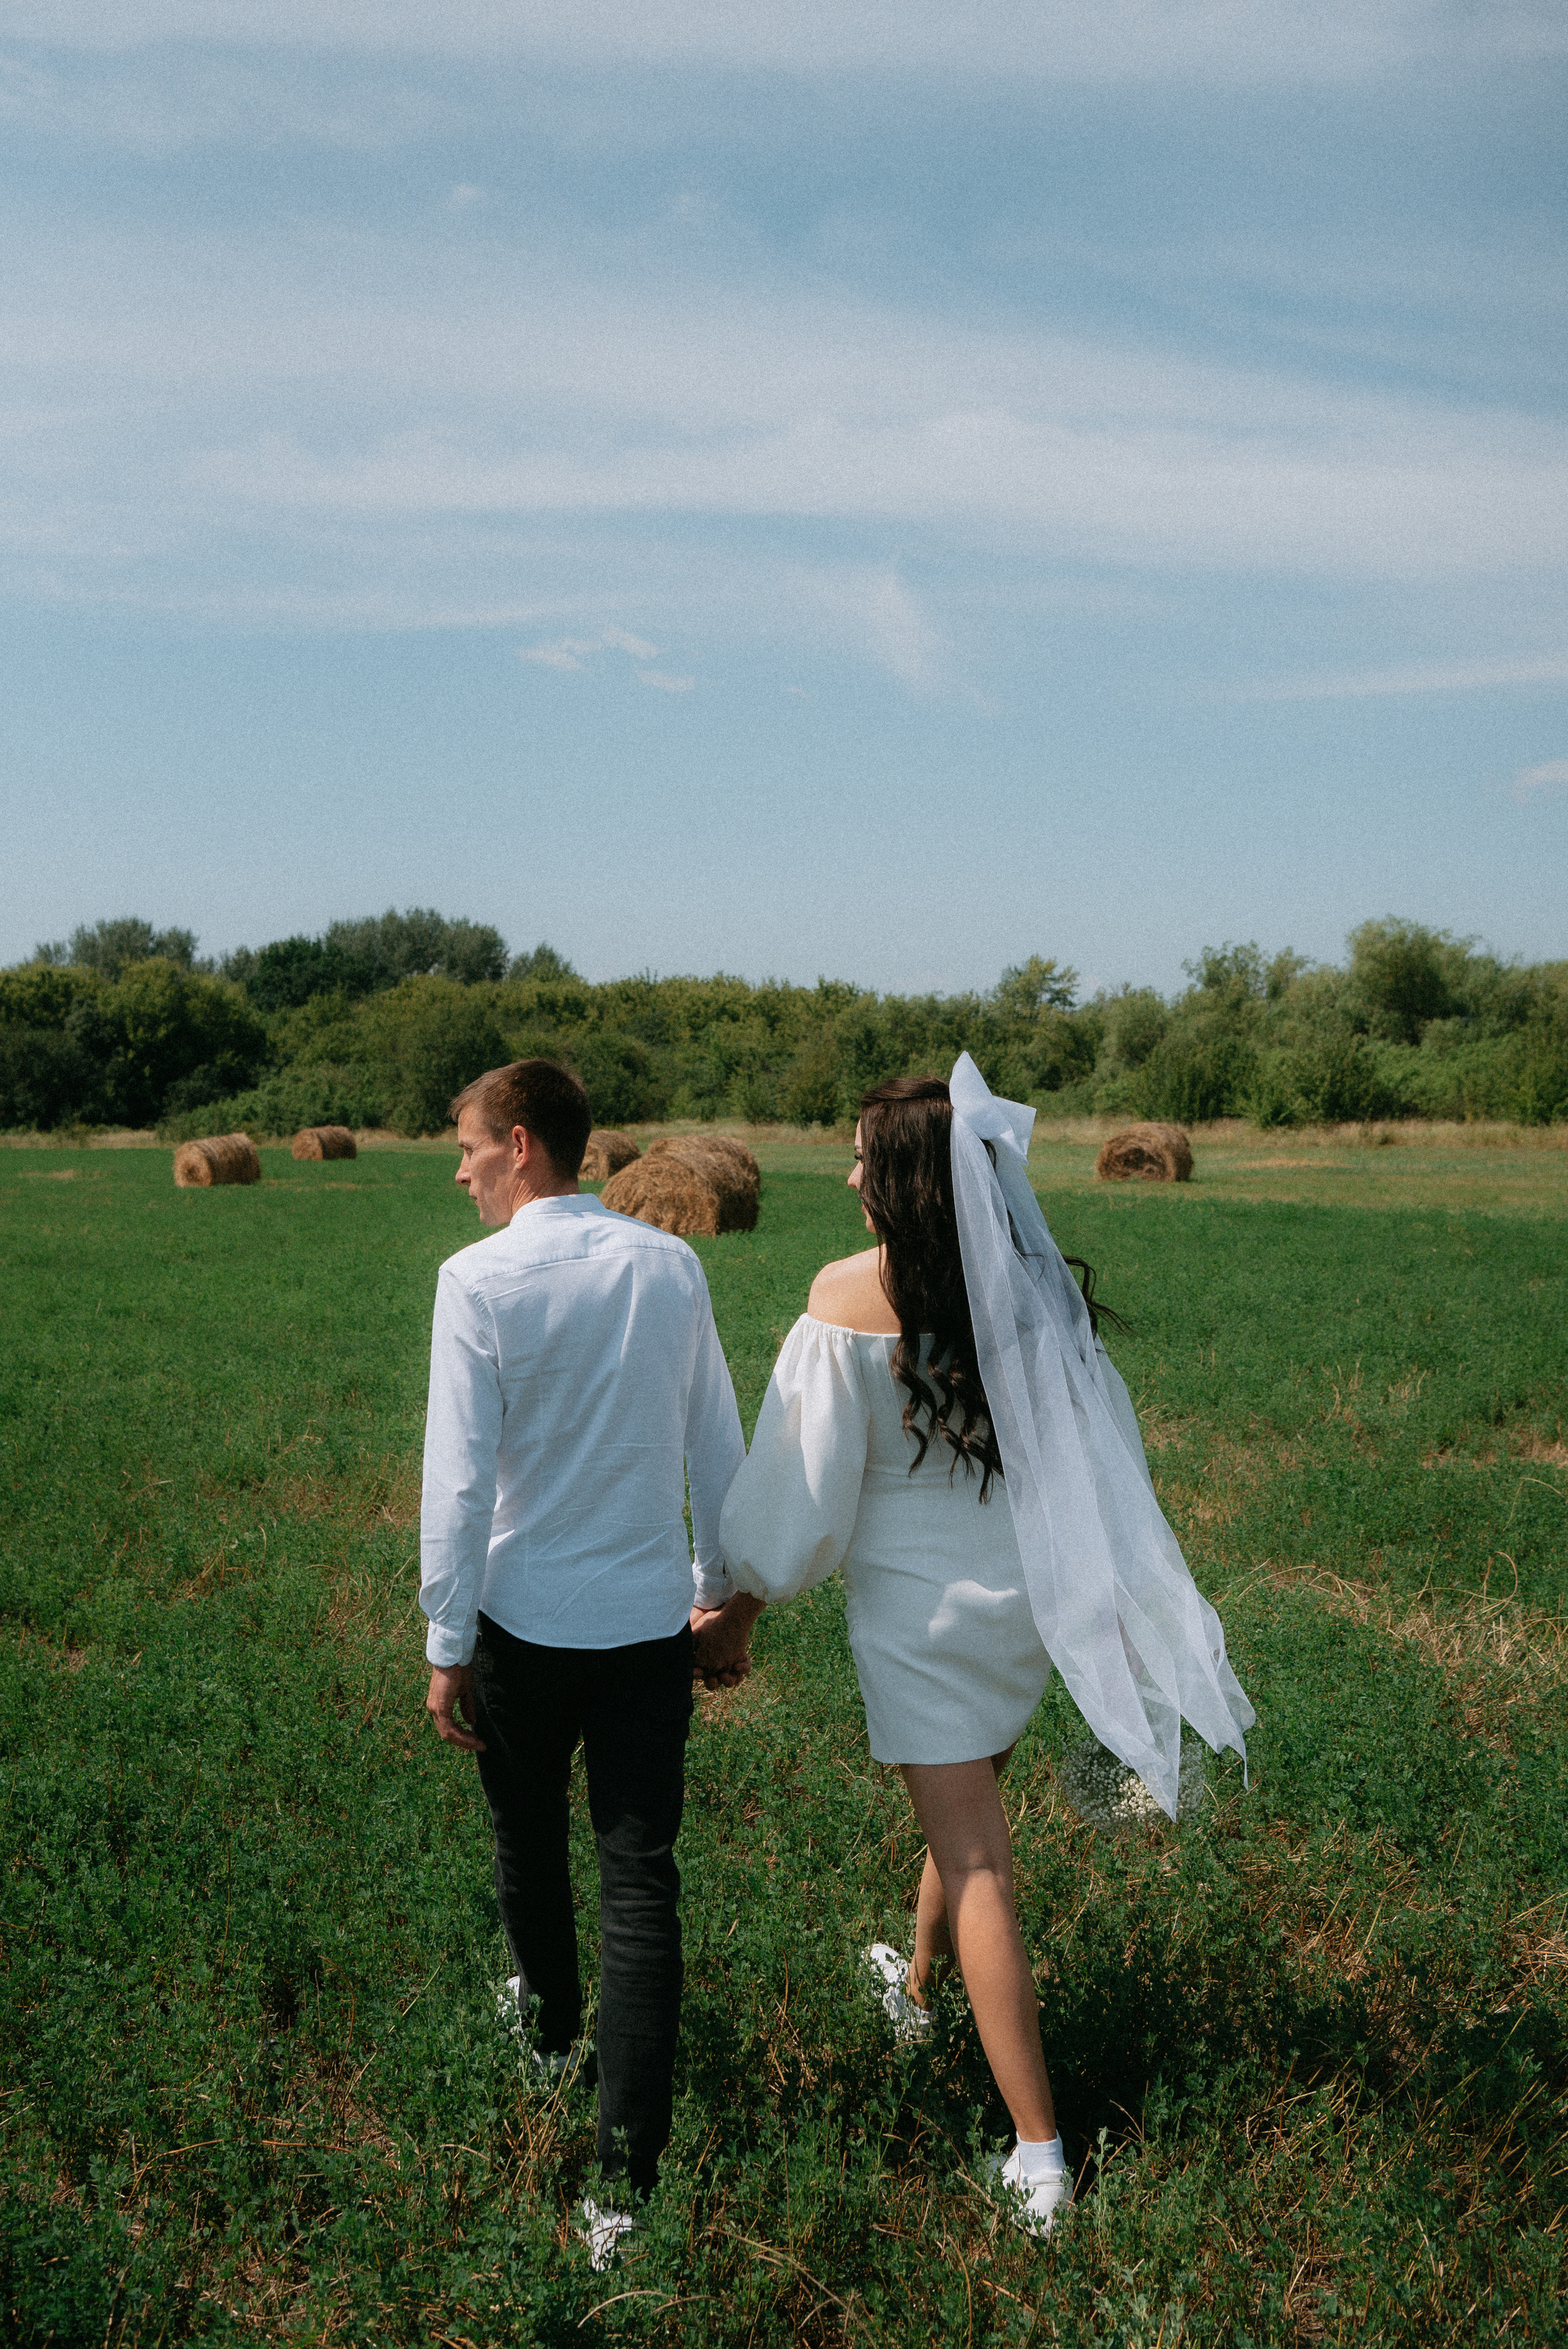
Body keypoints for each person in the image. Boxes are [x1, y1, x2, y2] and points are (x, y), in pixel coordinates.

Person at [706, 1057, 1254, 2235]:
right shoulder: (1026, 1290)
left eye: (863, 1154)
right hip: (1025, 1612)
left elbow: (801, 1502)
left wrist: (740, 1602)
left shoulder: (847, 1294)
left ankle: (1040, 2154)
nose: (848, 1171)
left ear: (903, 1179)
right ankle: (914, 1989)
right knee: (968, 1833)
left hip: (922, 1629)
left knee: (981, 1866)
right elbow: (1088, 1459)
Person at [418, 1058, 745, 2266]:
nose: (457, 1171)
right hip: (646, 1626)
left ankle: (552, 2031)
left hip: (518, 1624)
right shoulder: (671, 1266)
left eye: (465, 1149)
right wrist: (720, 1595)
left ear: (519, 1144)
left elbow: (456, 1479)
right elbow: (719, 1438)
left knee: (524, 1838)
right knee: (639, 1877)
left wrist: (444, 1642)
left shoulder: (476, 1281)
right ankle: (621, 2190)